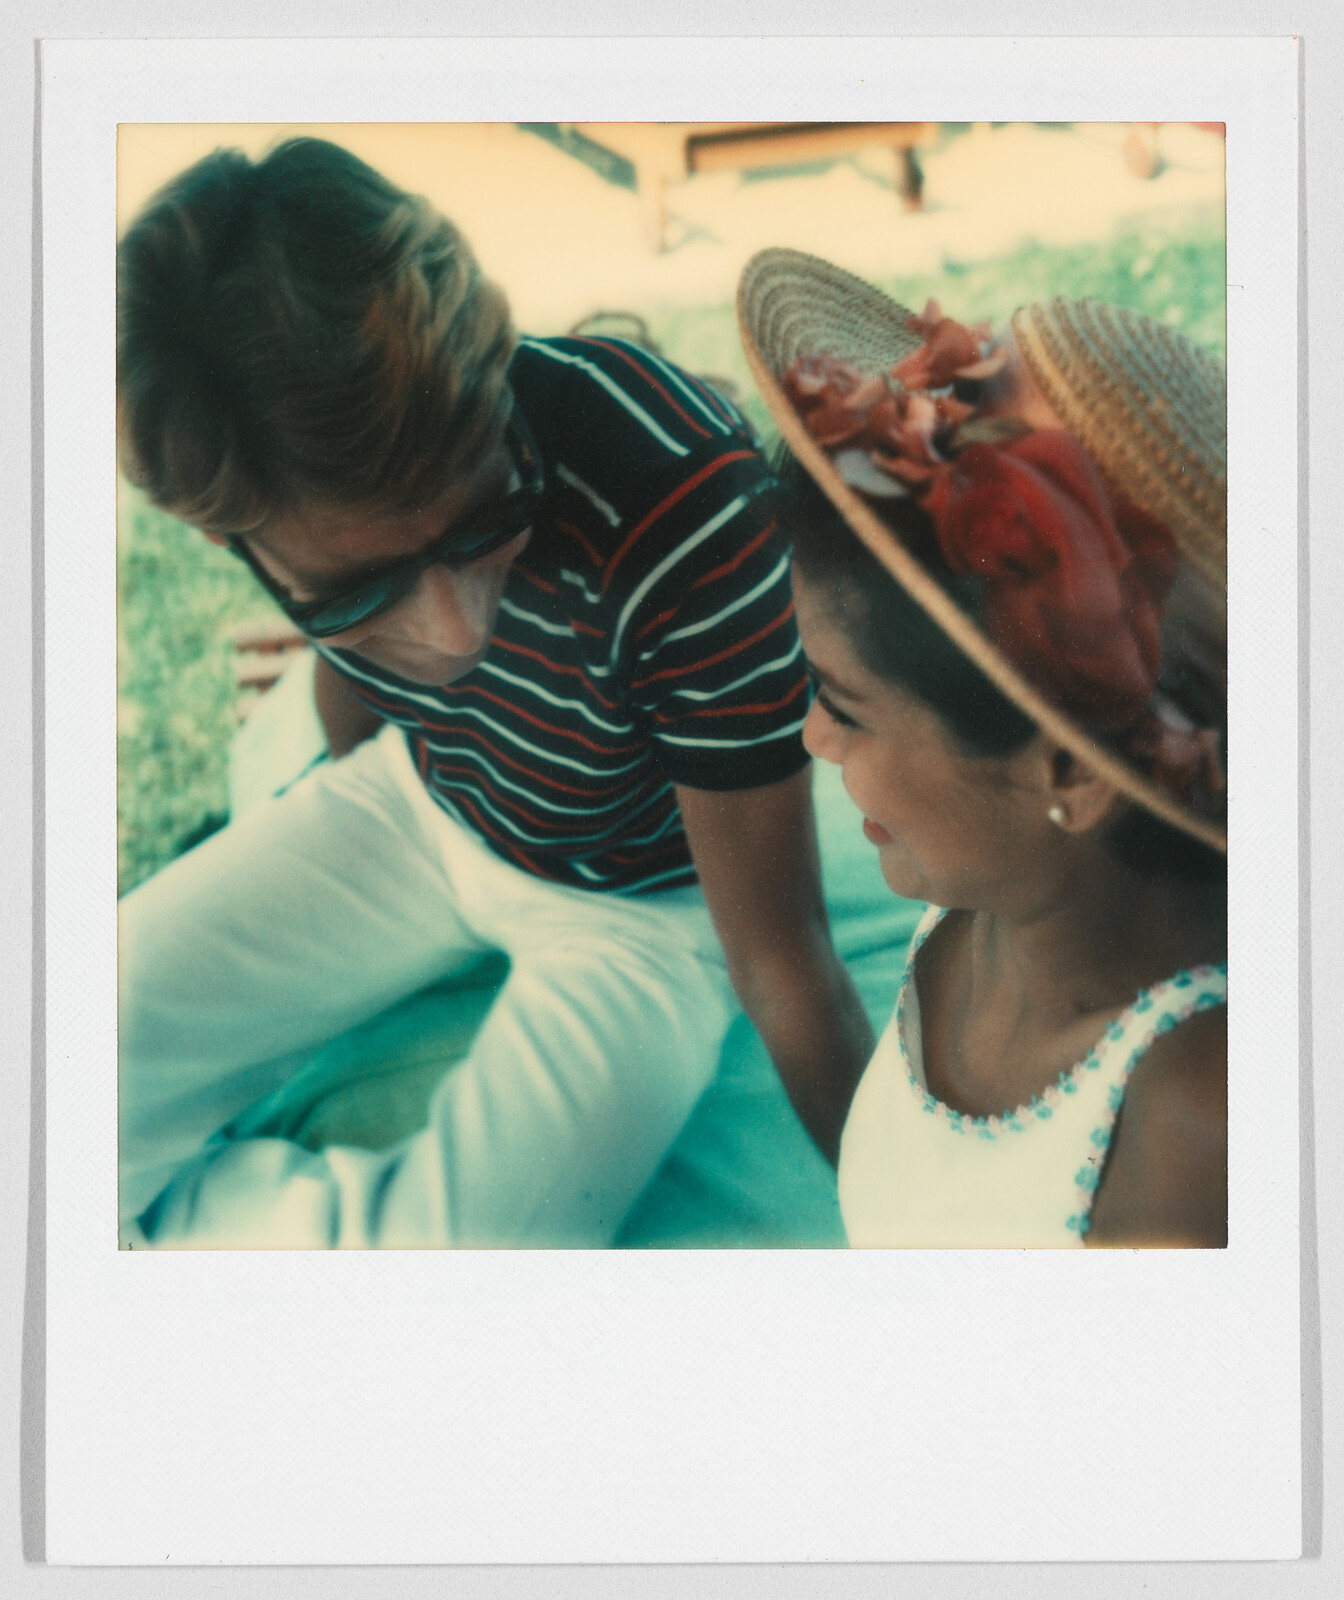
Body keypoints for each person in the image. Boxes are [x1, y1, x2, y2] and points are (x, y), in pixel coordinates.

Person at [115, 141, 873, 1248]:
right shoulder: (265, 475)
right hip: (416, 813)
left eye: (484, 525)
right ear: (246, 543)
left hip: (643, 911)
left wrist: (909, 1232)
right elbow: (354, 706)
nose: (454, 631)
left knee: (462, 1249)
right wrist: (307, 822)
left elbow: (783, 955)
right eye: (359, 590)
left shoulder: (690, 504)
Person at [737, 248, 1228, 1246]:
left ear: (1071, 771)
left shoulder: (1196, 1125)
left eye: (848, 706)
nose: (812, 735)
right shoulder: (980, 887)